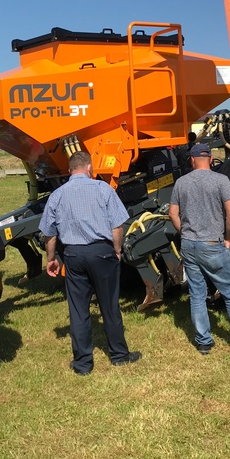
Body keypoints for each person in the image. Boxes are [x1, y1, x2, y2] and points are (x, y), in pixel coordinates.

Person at [39, 151, 141, 375]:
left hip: (73, 255)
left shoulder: (57, 195)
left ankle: (83, 364)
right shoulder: (102, 188)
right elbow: (117, 226)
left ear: (70, 169)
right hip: (102, 252)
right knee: (109, 305)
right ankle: (119, 355)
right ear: (88, 168)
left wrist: (51, 259)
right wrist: (115, 250)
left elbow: (49, 233)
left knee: (78, 309)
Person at [168, 143, 230, 353]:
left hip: (189, 245)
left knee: (196, 293)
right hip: (213, 243)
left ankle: (203, 341)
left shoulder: (181, 183)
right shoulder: (220, 180)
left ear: (192, 160)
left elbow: (172, 213)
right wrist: (228, 239)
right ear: (211, 159)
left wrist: (183, 232)